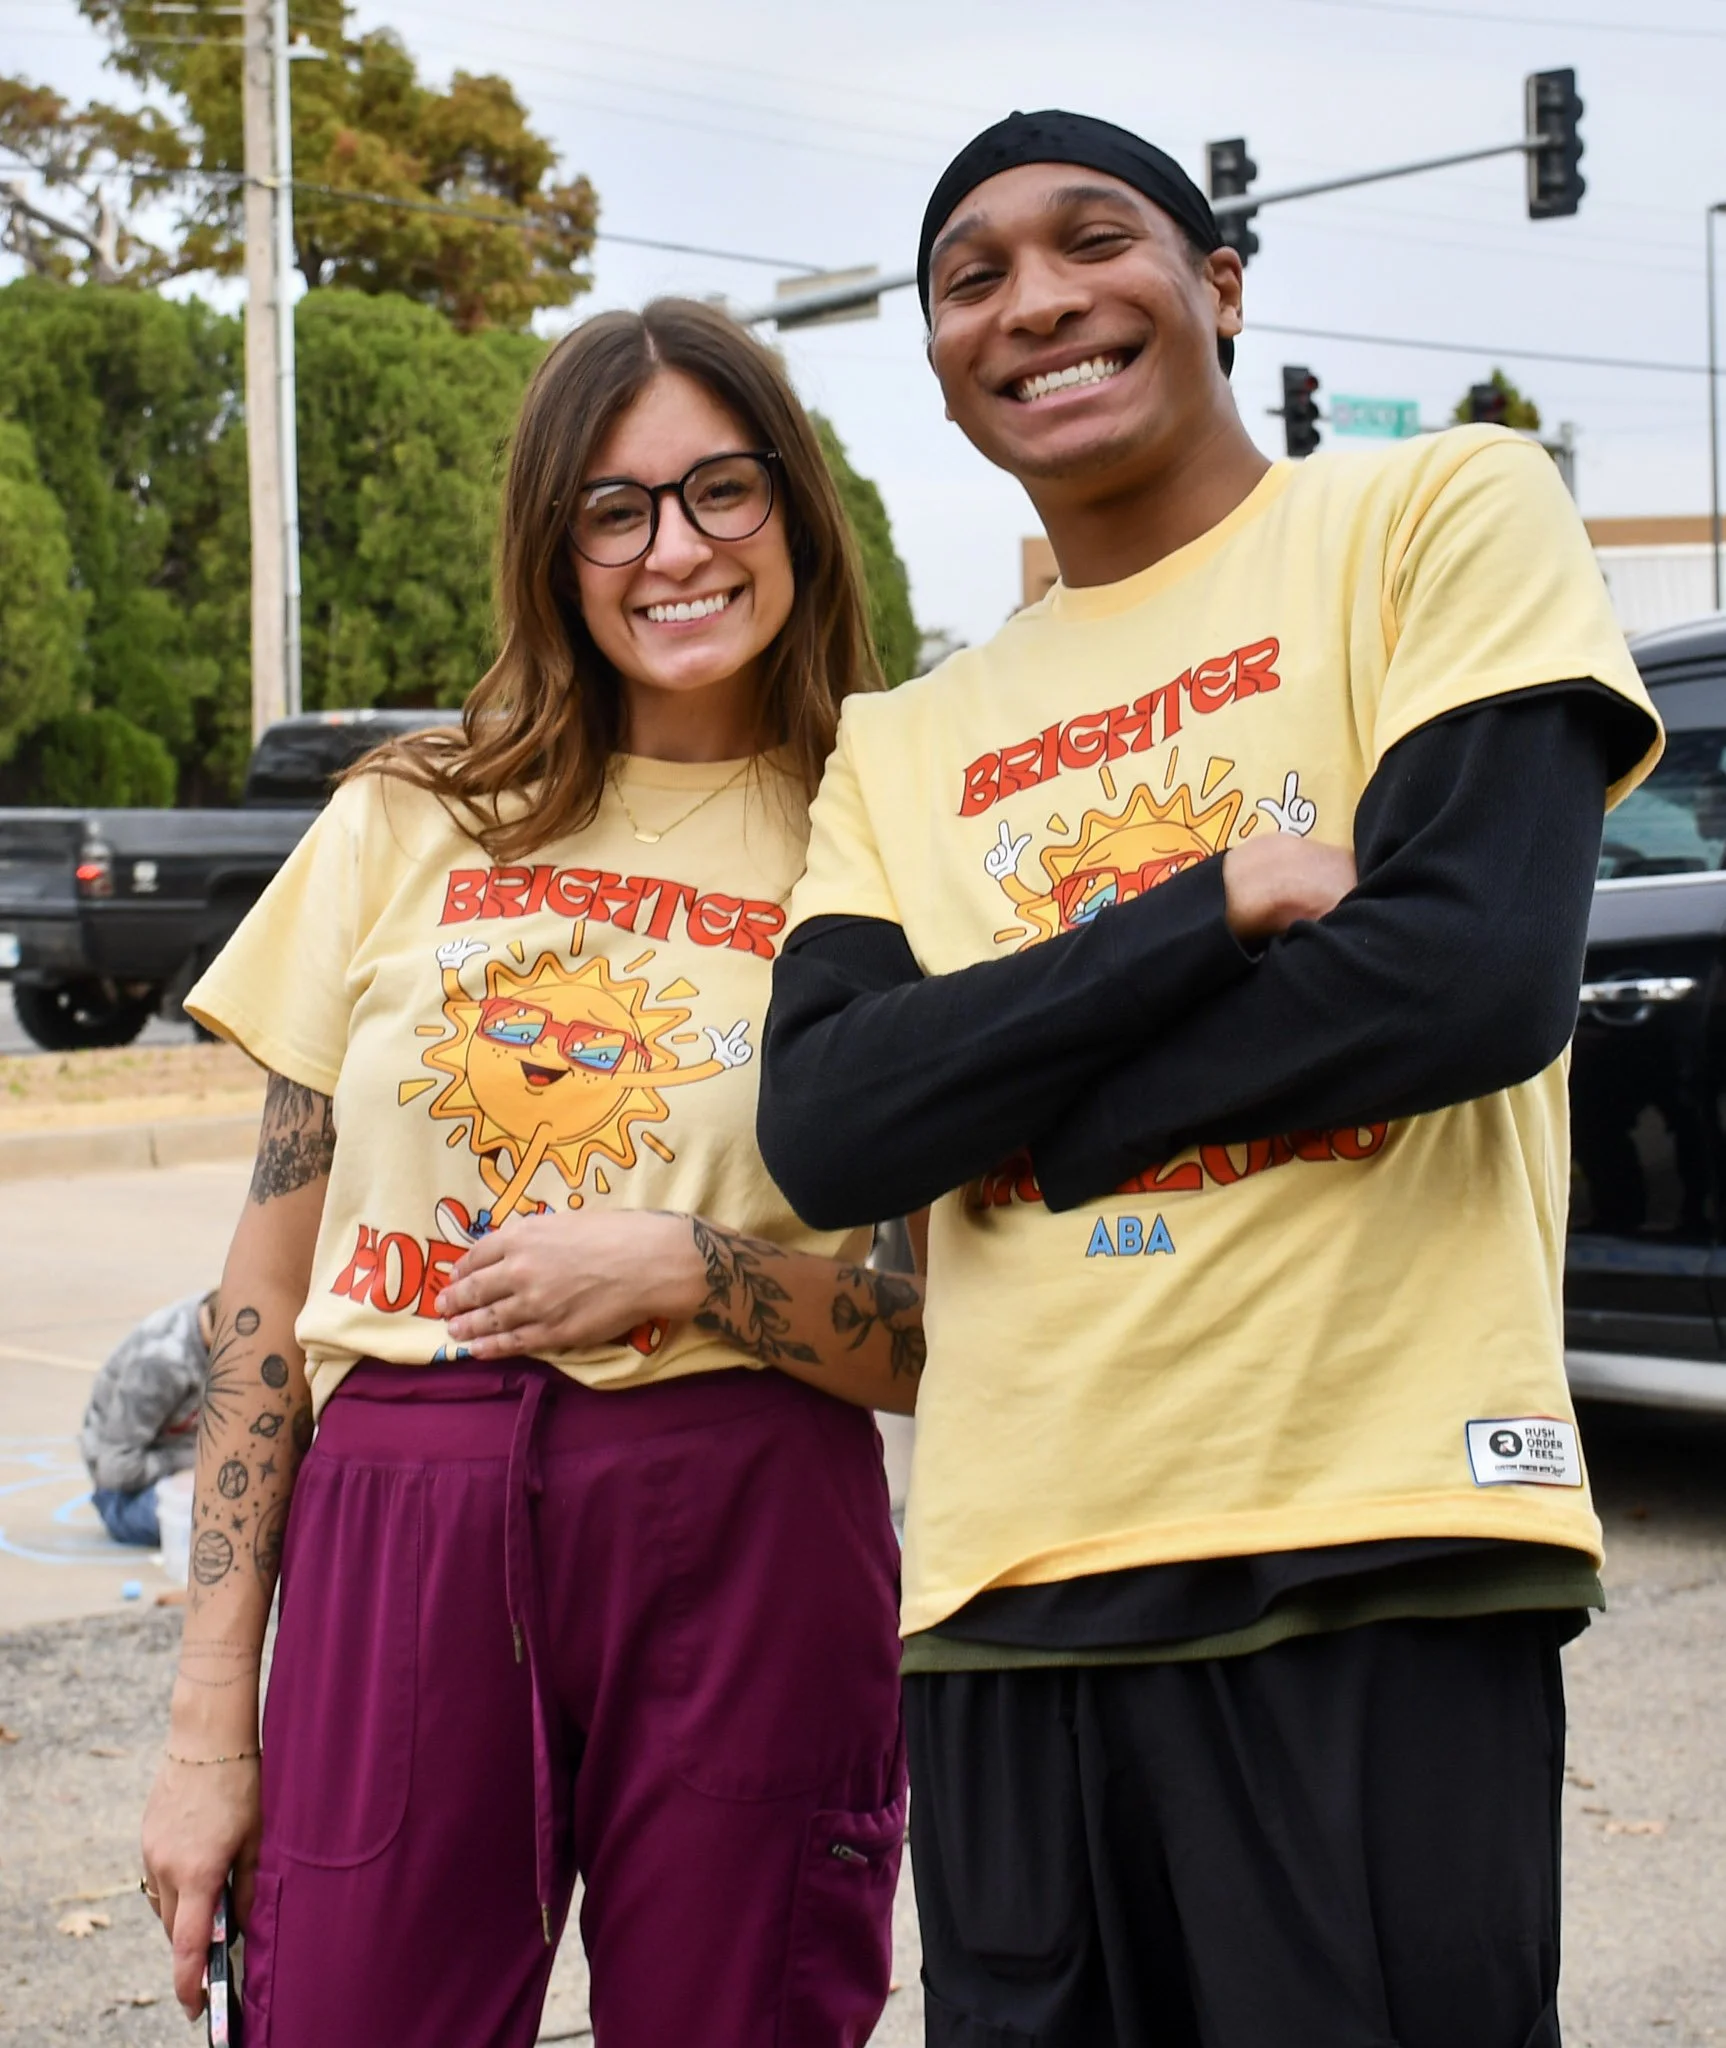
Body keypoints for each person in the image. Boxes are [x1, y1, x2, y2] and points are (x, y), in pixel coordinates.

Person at [759, 110, 1662, 2048]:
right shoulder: (899, 742)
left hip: (1375, 1535)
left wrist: (1029, 1113)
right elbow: (829, 1123)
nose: (1034, 300)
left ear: (1219, 285)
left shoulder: (1435, 514)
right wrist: (1209, 908)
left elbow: (1462, 974)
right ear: (939, 360)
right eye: (972, 278)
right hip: (1004, 1590)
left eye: (1093, 242)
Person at [139, 298, 918, 2048]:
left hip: (749, 1513)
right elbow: (265, 1289)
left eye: (721, 490)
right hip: (401, 1502)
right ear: (554, 550)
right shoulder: (408, 813)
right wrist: (208, 1726)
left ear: (795, 507)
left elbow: (947, 1330)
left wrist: (697, 1273)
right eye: (613, 510)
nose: (675, 549)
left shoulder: (883, 831)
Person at [80, 1290, 212, 1545]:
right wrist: (194, 1462)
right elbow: (115, 1468)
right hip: (126, 1496)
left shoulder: (218, 1314)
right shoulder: (162, 1364)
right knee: (232, 1517)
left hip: (186, 1467)